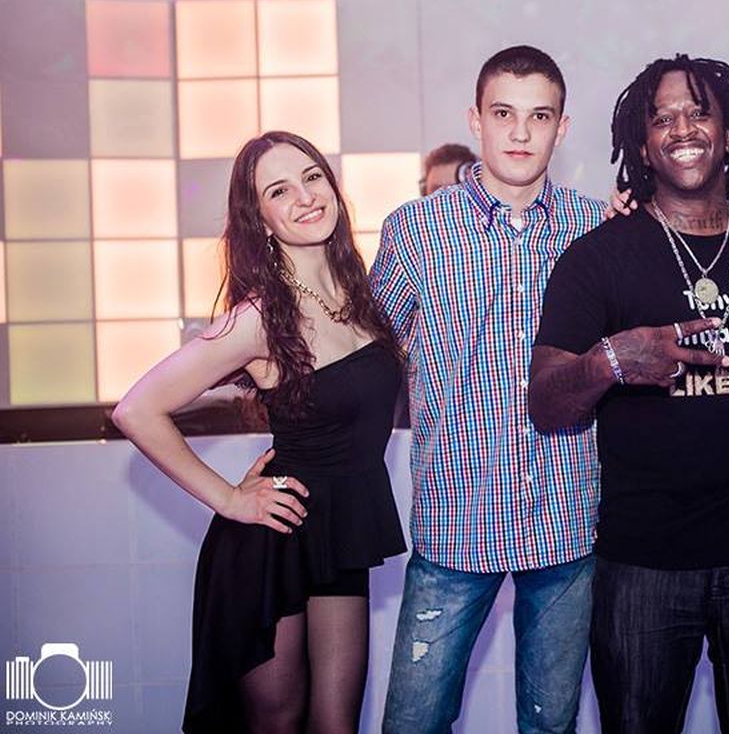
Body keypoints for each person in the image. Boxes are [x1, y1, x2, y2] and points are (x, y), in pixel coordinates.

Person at [529, 54, 729, 734]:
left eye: (699, 113)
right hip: (644, 567)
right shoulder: (599, 257)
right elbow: (547, 404)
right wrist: (612, 362)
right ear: (643, 143)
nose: (682, 129)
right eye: (663, 119)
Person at [112, 130, 407, 733]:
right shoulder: (259, 318)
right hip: (272, 542)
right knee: (277, 724)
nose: (305, 197)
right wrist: (228, 498)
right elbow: (136, 409)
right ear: (261, 220)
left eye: (312, 177)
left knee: (337, 725)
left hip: (341, 535)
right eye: (279, 191)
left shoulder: (361, 294)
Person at [371, 45, 606, 734]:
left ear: (562, 127)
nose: (521, 133)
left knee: (550, 725)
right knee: (412, 723)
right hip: (455, 520)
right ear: (475, 120)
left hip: (565, 519)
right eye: (504, 114)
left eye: (540, 116)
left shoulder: (595, 227)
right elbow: (368, 360)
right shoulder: (416, 230)